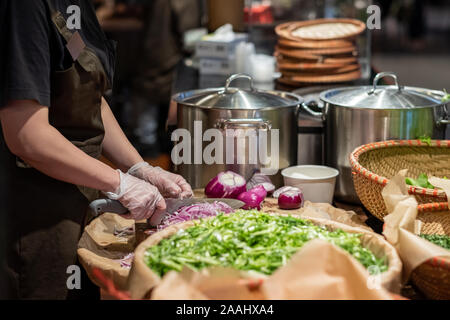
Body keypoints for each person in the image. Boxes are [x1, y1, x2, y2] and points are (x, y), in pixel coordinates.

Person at [0, 0, 192, 299]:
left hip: (80, 198)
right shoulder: (25, 9)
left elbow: (88, 95)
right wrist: (118, 182)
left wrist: (139, 168)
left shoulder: (76, 4)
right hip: (36, 215)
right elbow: (27, 135)